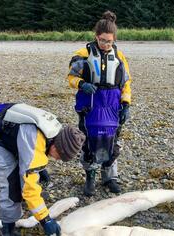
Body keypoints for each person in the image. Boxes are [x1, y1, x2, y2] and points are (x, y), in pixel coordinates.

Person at [0, 103, 86, 236]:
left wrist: (39, 169)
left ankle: (17, 210)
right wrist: (45, 219)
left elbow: (31, 148)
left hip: (2, 123)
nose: (58, 160)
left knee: (23, 171)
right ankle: (7, 229)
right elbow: (29, 188)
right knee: (10, 182)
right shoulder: (35, 138)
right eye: (60, 156)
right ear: (56, 146)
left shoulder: (55, 130)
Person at [66, 10, 132, 196]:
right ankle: (90, 176)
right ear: (96, 37)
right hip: (90, 104)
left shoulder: (120, 56)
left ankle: (110, 176)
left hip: (113, 104)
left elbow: (126, 82)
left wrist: (126, 104)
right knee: (89, 141)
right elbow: (70, 78)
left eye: (109, 41)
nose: (105, 44)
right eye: (102, 40)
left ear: (114, 40)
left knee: (112, 140)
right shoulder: (82, 54)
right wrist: (82, 84)